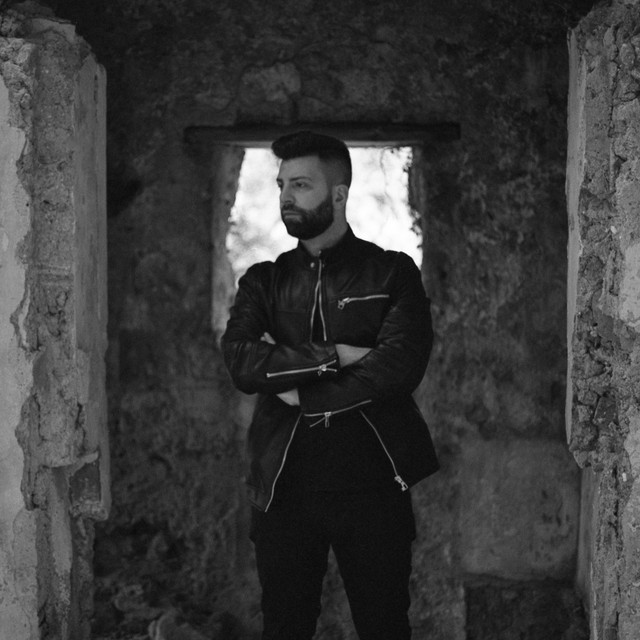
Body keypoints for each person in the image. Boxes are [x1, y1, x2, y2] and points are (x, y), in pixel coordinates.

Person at [222, 130, 439, 640]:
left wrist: (301, 390)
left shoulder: (393, 273)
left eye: (301, 185)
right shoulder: (263, 281)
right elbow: (242, 361)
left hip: (374, 486)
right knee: (285, 628)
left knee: (384, 627)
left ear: (339, 193)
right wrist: (334, 355)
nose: (286, 197)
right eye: (282, 185)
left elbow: (398, 367)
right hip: (283, 489)